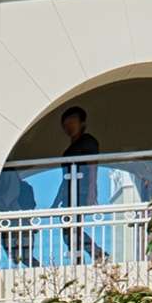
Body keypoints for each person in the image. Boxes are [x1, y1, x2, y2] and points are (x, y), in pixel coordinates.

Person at [57, 106, 109, 263]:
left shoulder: (88, 141)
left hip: (82, 189)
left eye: (72, 122)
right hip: (70, 191)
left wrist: (92, 190)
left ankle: (97, 253)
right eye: (66, 124)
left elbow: (93, 165)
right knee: (69, 229)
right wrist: (56, 200)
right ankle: (83, 258)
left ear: (82, 124)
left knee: (72, 228)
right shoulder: (70, 148)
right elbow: (65, 176)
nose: (69, 127)